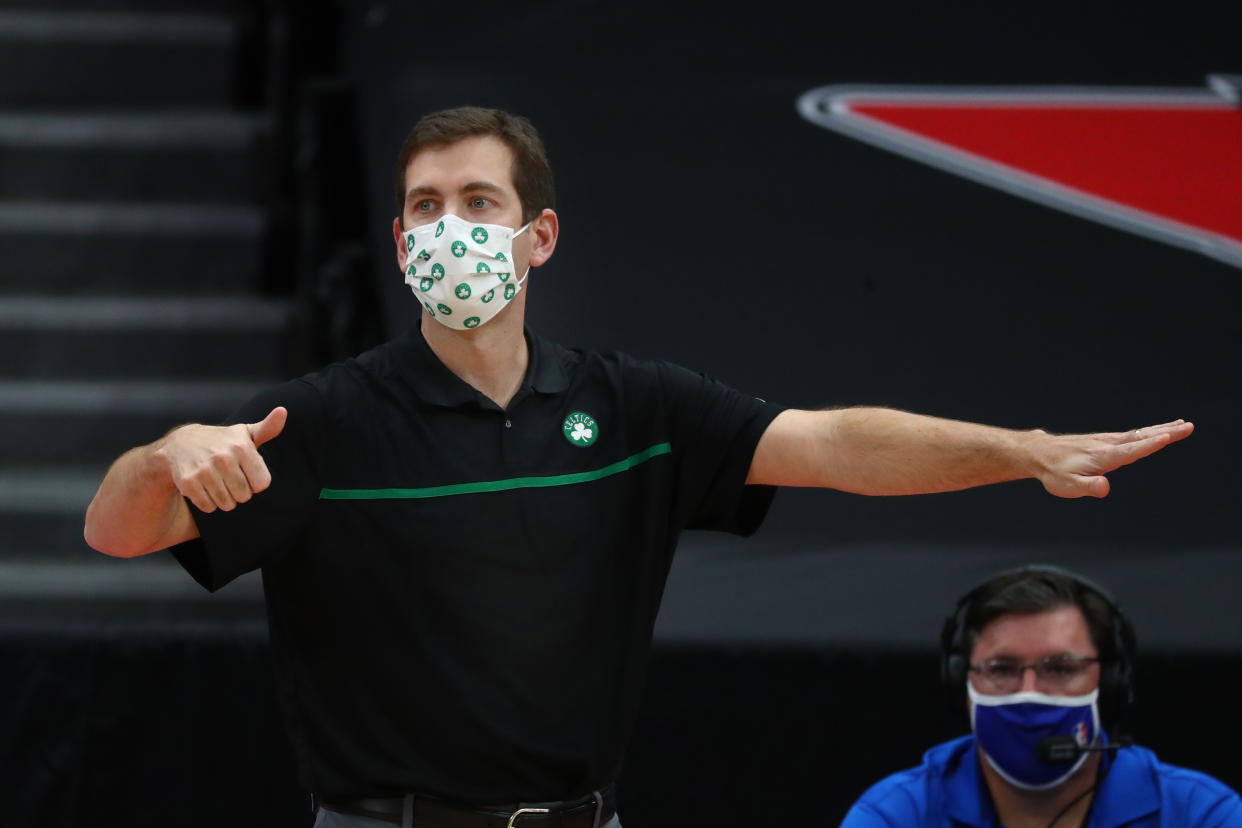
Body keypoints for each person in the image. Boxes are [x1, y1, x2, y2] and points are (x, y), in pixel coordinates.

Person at [84, 106, 1193, 828]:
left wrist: (1024, 452)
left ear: (541, 236)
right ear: (397, 239)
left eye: (479, 204)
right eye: (425, 207)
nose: (448, 229)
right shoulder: (321, 421)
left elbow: (835, 443)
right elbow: (117, 532)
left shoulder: (631, 407)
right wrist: (166, 453)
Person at [840, 565, 1242, 827]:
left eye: (1060, 669)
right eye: (1001, 669)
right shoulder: (896, 815)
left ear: (1110, 682)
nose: (1028, 694)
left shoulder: (1200, 814)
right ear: (961, 682)